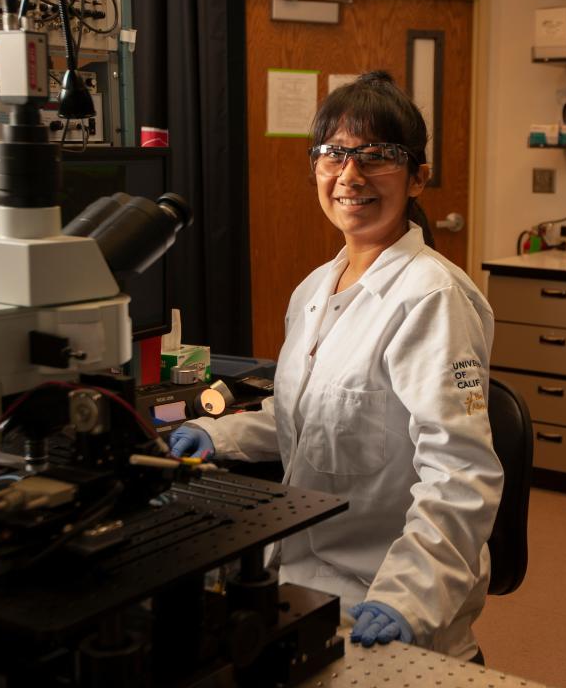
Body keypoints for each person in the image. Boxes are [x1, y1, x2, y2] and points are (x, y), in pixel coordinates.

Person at [168, 71, 502, 662]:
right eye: (334, 154)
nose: (350, 175)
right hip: (301, 573)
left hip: (384, 594)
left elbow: (460, 472)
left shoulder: (432, 298)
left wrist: (409, 596)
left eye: (377, 156)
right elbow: (314, 413)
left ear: (418, 176)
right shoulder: (315, 289)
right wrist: (218, 435)